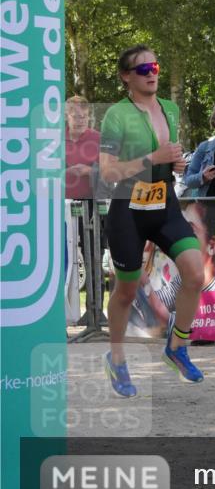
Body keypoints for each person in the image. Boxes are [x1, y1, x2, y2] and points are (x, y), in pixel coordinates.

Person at [99, 45, 206, 396]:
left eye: (155, 66)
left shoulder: (170, 109)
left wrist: (174, 163)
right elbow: (108, 171)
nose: (151, 73)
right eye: (142, 69)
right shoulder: (116, 114)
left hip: (164, 204)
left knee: (195, 272)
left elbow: (167, 155)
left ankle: (177, 347)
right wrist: (152, 157)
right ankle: (116, 359)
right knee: (127, 290)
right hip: (127, 208)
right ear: (126, 77)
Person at [65, 95, 105, 321]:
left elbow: (111, 171)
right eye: (75, 115)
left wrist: (89, 171)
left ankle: (95, 311)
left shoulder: (98, 139)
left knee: (94, 256)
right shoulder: (55, 139)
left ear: (89, 116)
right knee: (62, 256)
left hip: (91, 204)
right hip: (60, 206)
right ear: (66, 116)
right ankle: (64, 311)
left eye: (83, 116)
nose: (80, 120)